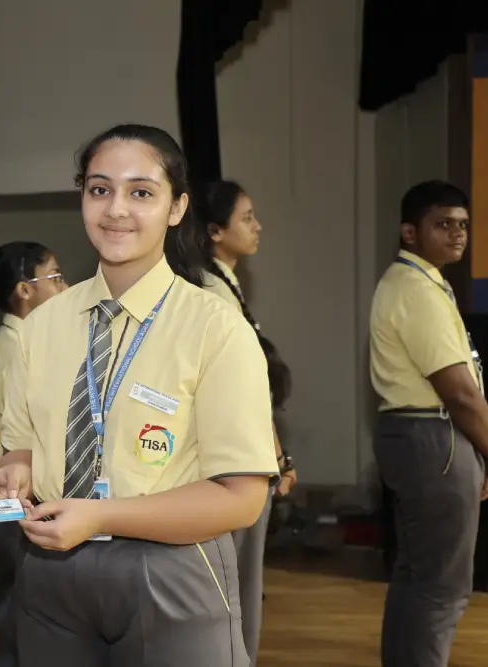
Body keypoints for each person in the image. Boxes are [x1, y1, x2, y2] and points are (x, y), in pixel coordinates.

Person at [0, 124, 280, 666]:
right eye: (100, 189)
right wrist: (14, 471)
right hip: (49, 567)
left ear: (176, 207)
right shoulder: (41, 326)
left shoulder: (215, 327)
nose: (116, 209)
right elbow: (20, 447)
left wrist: (102, 517)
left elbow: (241, 497)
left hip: (170, 566)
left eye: (141, 192)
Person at [369, 180, 488, 667]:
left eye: (463, 224)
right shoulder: (416, 290)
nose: (457, 233)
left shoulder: (420, 282)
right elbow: (460, 391)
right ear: (410, 232)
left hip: (421, 435)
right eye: (443, 224)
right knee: (442, 588)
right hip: (434, 435)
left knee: (418, 578)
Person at [194, 179, 296, 666]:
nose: (258, 227)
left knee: (238, 583)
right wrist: (278, 455)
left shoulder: (223, 284)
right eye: (247, 218)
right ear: (215, 230)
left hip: (239, 451)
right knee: (237, 584)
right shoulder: (212, 291)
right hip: (237, 457)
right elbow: (246, 387)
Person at [0, 241, 68, 667]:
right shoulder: (15, 350)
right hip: (8, 500)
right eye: (55, 277)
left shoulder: (21, 342)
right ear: (25, 290)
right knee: (23, 617)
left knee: (17, 611)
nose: (65, 287)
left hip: (6, 498)